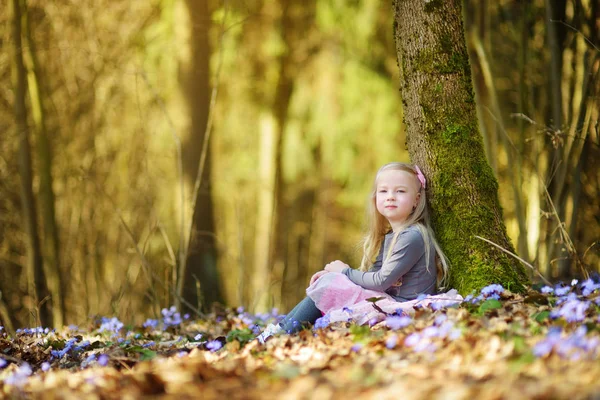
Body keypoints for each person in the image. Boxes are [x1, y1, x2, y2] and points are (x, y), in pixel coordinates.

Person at [257, 162, 449, 343]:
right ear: (376, 198)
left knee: (331, 284)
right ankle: (279, 330)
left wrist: (343, 272)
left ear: (416, 199)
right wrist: (338, 275)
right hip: (389, 301)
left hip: (403, 308)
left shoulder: (413, 235)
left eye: (400, 191)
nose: (390, 196)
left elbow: (380, 281)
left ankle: (281, 333)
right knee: (331, 282)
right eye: (384, 191)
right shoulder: (393, 236)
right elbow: (374, 272)